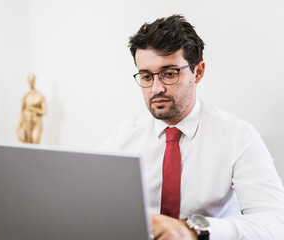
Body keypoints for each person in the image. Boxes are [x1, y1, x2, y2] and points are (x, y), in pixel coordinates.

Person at [101, 15, 284, 239]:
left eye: (169, 74)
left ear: (198, 72)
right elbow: (93, 205)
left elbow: (275, 223)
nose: (156, 88)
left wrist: (192, 230)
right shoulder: (123, 138)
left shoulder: (239, 137)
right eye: (147, 76)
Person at [17, 74, 47, 144]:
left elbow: (44, 111)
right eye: (29, 81)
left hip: (36, 121)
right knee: (27, 144)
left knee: (35, 141)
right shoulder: (26, 96)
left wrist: (33, 109)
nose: (31, 82)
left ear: (34, 81)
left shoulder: (40, 96)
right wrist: (19, 125)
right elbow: (22, 112)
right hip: (27, 121)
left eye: (32, 80)